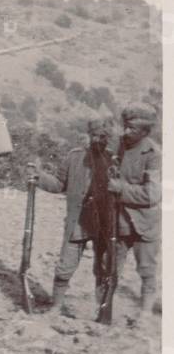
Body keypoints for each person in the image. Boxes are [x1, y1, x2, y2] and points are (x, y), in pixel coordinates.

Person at [35, 116, 116, 316]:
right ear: (89, 135)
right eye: (94, 135)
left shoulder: (114, 160)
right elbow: (58, 184)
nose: (98, 140)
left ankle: (101, 312)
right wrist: (38, 176)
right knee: (65, 265)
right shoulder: (74, 157)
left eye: (103, 136)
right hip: (78, 221)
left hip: (104, 225)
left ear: (108, 137)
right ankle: (56, 307)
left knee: (103, 268)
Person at [110, 103, 161, 316]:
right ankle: (105, 308)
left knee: (147, 269)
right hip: (120, 220)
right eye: (125, 126)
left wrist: (120, 188)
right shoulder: (118, 145)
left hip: (145, 223)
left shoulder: (154, 155)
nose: (126, 131)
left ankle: (145, 313)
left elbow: (152, 195)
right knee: (110, 267)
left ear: (145, 131)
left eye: (132, 128)